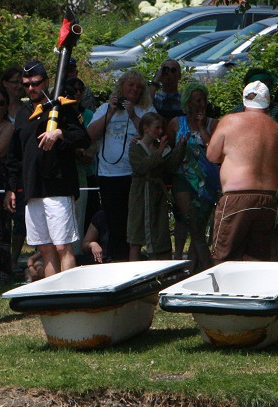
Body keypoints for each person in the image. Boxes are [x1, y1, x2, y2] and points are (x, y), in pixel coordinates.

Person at [5, 61, 91, 277]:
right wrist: (11, 187)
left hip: (58, 185)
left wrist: (60, 133)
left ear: (46, 81)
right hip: (32, 188)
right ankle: (51, 295)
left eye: (35, 84)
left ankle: (68, 294)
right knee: (44, 247)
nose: (31, 89)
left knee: (63, 246)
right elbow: (15, 154)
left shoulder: (62, 106)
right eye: (26, 85)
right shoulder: (25, 112)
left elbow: (84, 138)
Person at [206, 81, 278, 262]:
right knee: (256, 258)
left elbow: (211, 155)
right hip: (267, 198)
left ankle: (224, 290)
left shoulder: (230, 121)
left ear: (244, 101)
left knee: (223, 258)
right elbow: (277, 161)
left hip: (237, 196)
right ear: (268, 103)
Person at [87, 71, 154, 262]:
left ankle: (131, 256)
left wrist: (132, 114)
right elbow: (90, 134)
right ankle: (114, 256)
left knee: (132, 219)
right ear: (121, 87)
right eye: (130, 85)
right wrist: (110, 113)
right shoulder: (105, 108)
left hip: (134, 174)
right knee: (112, 218)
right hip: (109, 174)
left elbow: (154, 133)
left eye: (138, 87)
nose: (134, 90)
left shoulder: (146, 109)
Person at [168, 82, 220, 271]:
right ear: (188, 102)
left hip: (206, 181)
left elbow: (213, 149)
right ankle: (203, 267)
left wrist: (201, 127)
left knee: (199, 223)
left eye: (204, 100)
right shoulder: (176, 123)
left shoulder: (214, 124)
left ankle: (192, 267)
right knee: (191, 221)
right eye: (198, 100)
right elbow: (169, 151)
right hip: (182, 178)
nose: (202, 104)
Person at [127, 112, 175, 260]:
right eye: (157, 127)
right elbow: (141, 167)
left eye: (162, 128)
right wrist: (158, 152)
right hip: (140, 194)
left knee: (161, 234)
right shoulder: (136, 147)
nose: (160, 131)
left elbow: (169, 168)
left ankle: (163, 272)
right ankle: (133, 275)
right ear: (146, 128)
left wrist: (181, 146)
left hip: (157, 195)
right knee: (136, 236)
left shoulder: (162, 147)